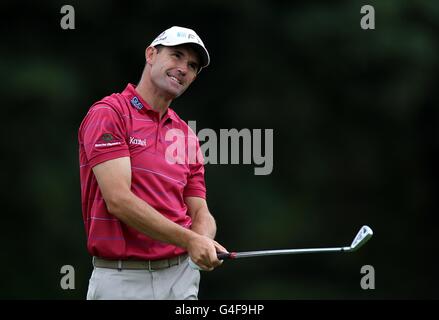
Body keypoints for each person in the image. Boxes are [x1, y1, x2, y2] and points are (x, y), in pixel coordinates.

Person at [78, 26, 227, 300]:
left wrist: (204, 238)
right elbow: (118, 201)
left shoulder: (186, 137)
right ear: (151, 54)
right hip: (122, 281)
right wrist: (190, 240)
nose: (183, 68)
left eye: (192, 65)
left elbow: (200, 212)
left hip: (181, 279)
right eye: (176, 56)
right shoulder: (110, 114)